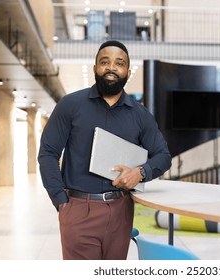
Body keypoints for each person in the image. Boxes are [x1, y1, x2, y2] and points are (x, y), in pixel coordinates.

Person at [38, 40, 172, 260]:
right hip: (79, 209)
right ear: (95, 68)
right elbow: (48, 153)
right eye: (105, 62)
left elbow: (163, 156)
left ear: (128, 71)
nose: (111, 67)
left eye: (119, 63)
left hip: (121, 210)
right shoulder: (70, 105)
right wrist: (60, 201)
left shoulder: (140, 115)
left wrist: (140, 172)